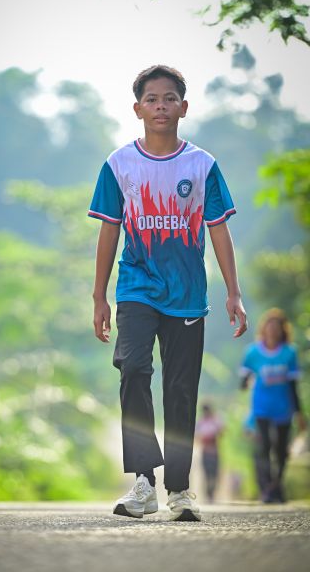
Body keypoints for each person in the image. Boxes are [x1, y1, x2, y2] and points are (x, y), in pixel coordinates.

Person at [88, 65, 247, 521]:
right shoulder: (119, 164)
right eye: (152, 99)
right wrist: (99, 297)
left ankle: (179, 490)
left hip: (187, 294)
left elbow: (218, 230)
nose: (161, 106)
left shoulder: (202, 165)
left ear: (184, 107)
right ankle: (144, 482)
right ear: (137, 109)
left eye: (170, 98)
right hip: (136, 287)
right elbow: (109, 232)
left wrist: (234, 293)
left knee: (180, 390)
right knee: (133, 368)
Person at [240, 308, 306, 503]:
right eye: (269, 326)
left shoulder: (289, 353)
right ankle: (267, 488)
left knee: (281, 450)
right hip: (261, 408)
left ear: (282, 330)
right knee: (264, 446)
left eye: (277, 327)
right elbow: (244, 380)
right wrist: (246, 381)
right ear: (264, 329)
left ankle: (277, 486)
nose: (273, 330)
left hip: (283, 408)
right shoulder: (253, 352)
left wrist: (299, 413)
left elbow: (293, 386)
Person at [196, 403, 224, 502]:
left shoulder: (215, 420)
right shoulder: (201, 422)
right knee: (207, 473)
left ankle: (212, 493)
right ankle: (208, 494)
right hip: (206, 451)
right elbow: (197, 437)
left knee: (214, 473)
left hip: (214, 450)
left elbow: (222, 432)